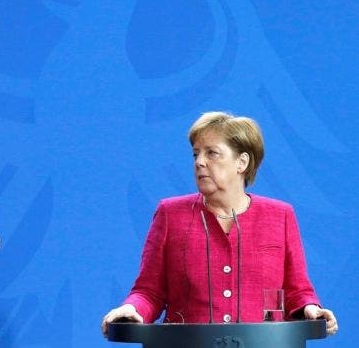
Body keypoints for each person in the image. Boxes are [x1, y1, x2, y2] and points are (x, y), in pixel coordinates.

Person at [101, 111, 338, 336]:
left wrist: (311, 309)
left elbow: (298, 292)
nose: (199, 162)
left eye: (211, 153)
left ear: (242, 162)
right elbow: (148, 291)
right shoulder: (170, 214)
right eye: (196, 154)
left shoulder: (280, 216)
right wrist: (132, 309)